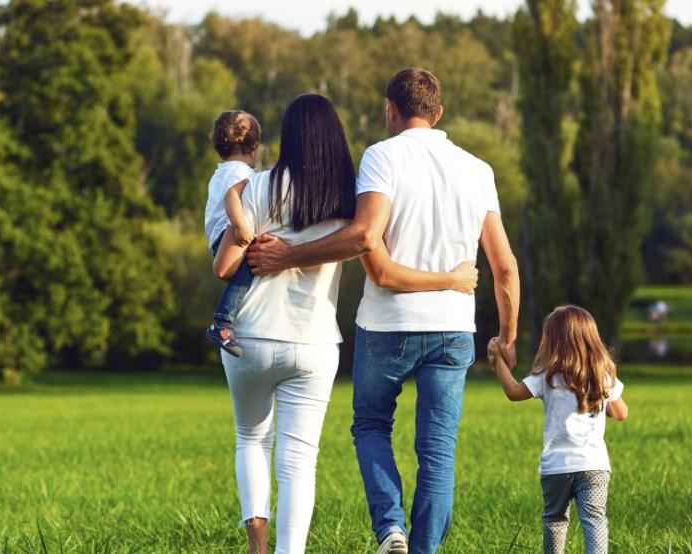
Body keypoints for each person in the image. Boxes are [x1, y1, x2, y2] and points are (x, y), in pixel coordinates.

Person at [245, 67, 520, 554]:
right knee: (437, 453)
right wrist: (508, 337)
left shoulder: (381, 157)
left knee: (371, 425)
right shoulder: (478, 170)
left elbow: (366, 241)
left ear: (391, 110)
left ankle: (390, 530)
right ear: (439, 114)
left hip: (387, 326)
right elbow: (503, 269)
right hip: (453, 329)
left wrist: (287, 255)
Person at [487, 305, 629, 554]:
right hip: (594, 466)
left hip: (557, 467)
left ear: (551, 341)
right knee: (594, 520)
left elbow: (513, 392)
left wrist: (499, 360)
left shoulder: (547, 376)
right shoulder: (603, 376)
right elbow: (621, 413)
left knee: (555, 520)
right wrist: (599, 401)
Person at [204, 110, 263, 357]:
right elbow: (232, 200)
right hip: (229, 234)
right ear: (255, 147)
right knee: (247, 271)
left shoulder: (220, 172)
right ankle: (223, 321)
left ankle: (226, 321)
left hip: (217, 238)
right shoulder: (243, 174)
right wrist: (240, 226)